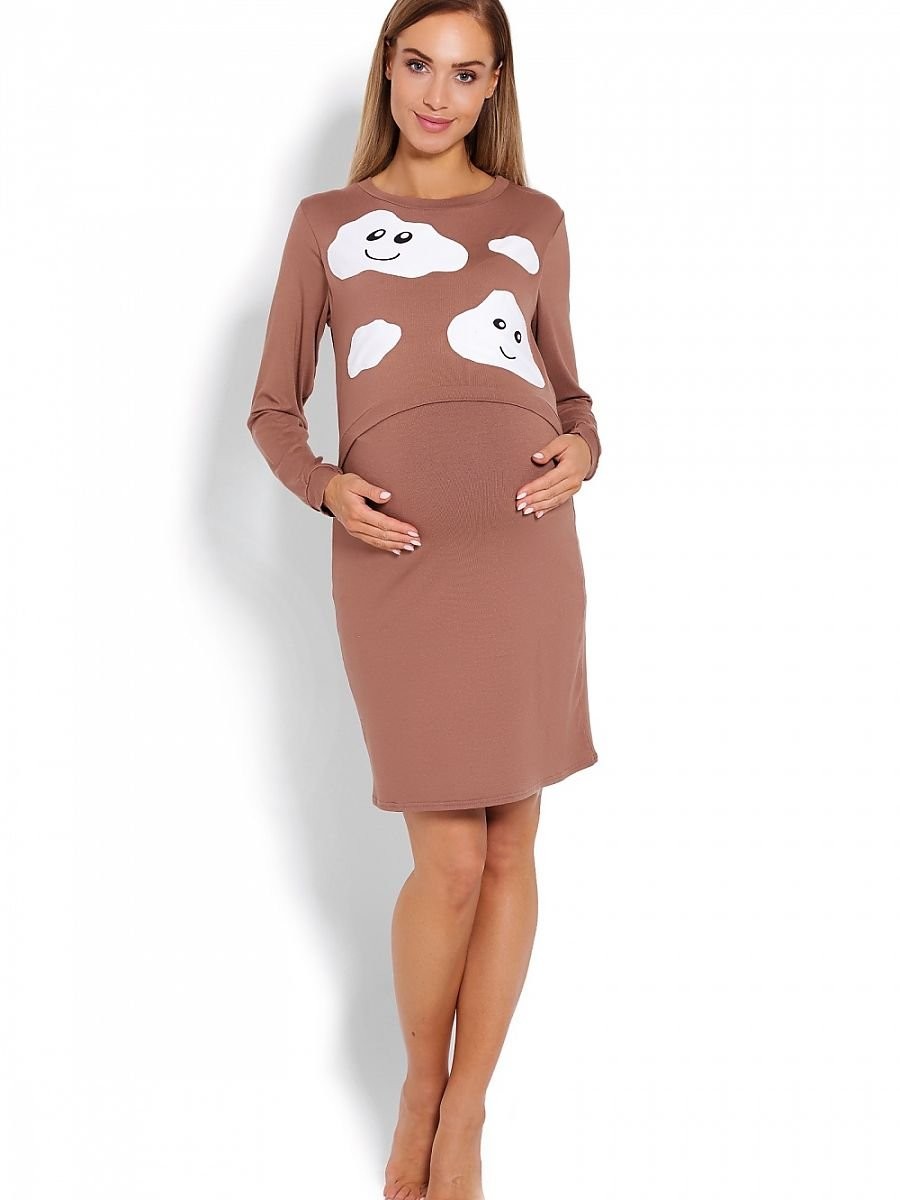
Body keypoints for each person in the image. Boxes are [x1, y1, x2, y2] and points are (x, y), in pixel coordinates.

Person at [246, 2, 602, 1196]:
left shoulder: (535, 221)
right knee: (447, 861)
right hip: (399, 565)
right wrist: (325, 486)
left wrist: (587, 449)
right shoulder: (328, 224)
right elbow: (274, 409)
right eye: (417, 65)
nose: (437, 96)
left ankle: (467, 1119)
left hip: (527, 558)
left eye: (464, 73)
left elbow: (570, 393)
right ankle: (418, 1097)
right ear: (387, 70)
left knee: (511, 851)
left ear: (495, 85)